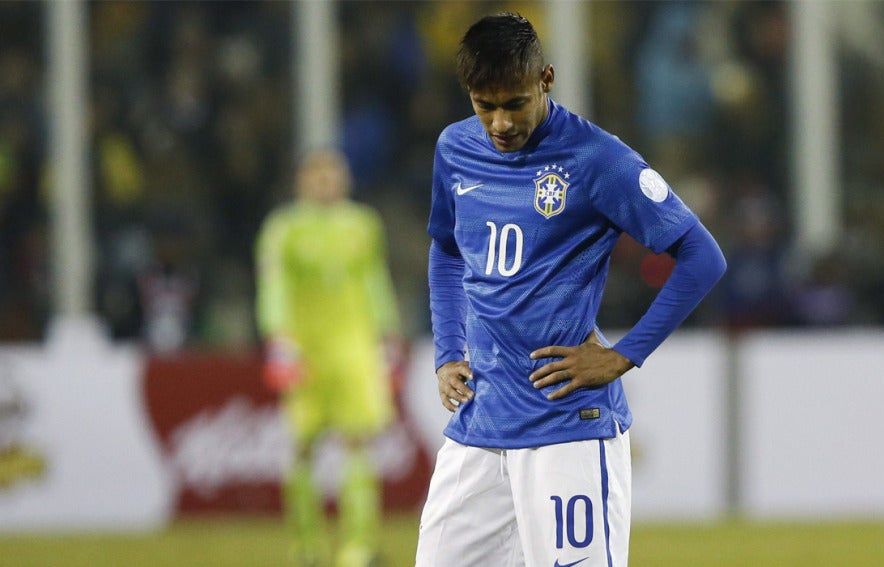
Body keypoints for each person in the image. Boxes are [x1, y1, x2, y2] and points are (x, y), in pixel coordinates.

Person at [415, 13, 727, 567]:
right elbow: (446, 248)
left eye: (514, 103)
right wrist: (447, 352)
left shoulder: (596, 158)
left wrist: (623, 356)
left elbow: (703, 256)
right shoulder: (454, 149)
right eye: (484, 105)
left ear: (547, 79)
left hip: (566, 427)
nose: (500, 123)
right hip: (479, 425)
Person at [255, 148, 401, 567]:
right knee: (303, 445)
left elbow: (374, 279)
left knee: (359, 441)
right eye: (317, 176)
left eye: (333, 175)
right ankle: (308, 546)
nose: (326, 183)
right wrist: (279, 338)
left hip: (354, 348)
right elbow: (273, 286)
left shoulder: (363, 224)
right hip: (305, 350)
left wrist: (386, 334)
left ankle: (357, 548)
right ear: (302, 182)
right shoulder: (283, 228)